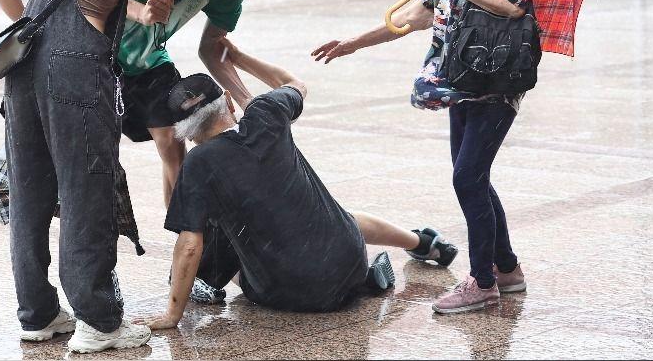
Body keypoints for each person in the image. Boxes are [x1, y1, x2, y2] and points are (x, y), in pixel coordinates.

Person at [0, 0, 196, 354]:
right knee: (86, 194)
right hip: (80, 76)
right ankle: (99, 321)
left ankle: (37, 314)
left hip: (25, 72)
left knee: (30, 194)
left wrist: (35, 33)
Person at [312, 0, 530, 314]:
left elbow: (511, 4)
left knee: (467, 178)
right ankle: (507, 268)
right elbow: (411, 18)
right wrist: (354, 43)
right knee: (474, 179)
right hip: (460, 84)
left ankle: (483, 281)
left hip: (493, 84)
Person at [135, 43, 457, 329]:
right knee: (329, 214)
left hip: (289, 292)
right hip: (349, 259)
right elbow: (295, 84)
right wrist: (238, 57)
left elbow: (190, 245)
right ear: (230, 103)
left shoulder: (198, 163)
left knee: (221, 236)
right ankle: (421, 242)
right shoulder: (265, 113)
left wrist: (171, 316)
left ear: (185, 133)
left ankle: (205, 282)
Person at [119, 0, 299, 211]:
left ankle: (189, 237)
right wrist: (140, 12)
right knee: (99, 161)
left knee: (172, 141)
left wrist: (248, 102)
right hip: (100, 54)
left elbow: (212, 48)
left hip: (149, 58)